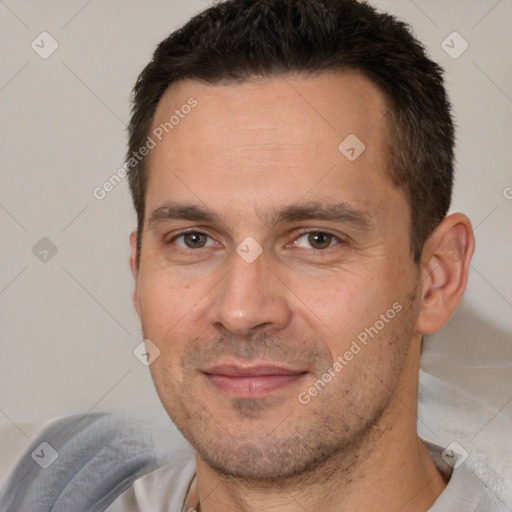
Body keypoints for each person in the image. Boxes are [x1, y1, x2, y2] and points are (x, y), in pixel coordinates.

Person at [2, 1, 507, 511]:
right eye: (194, 240)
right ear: (138, 273)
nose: (241, 311)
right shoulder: (46, 488)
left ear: (436, 278)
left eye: (317, 239)